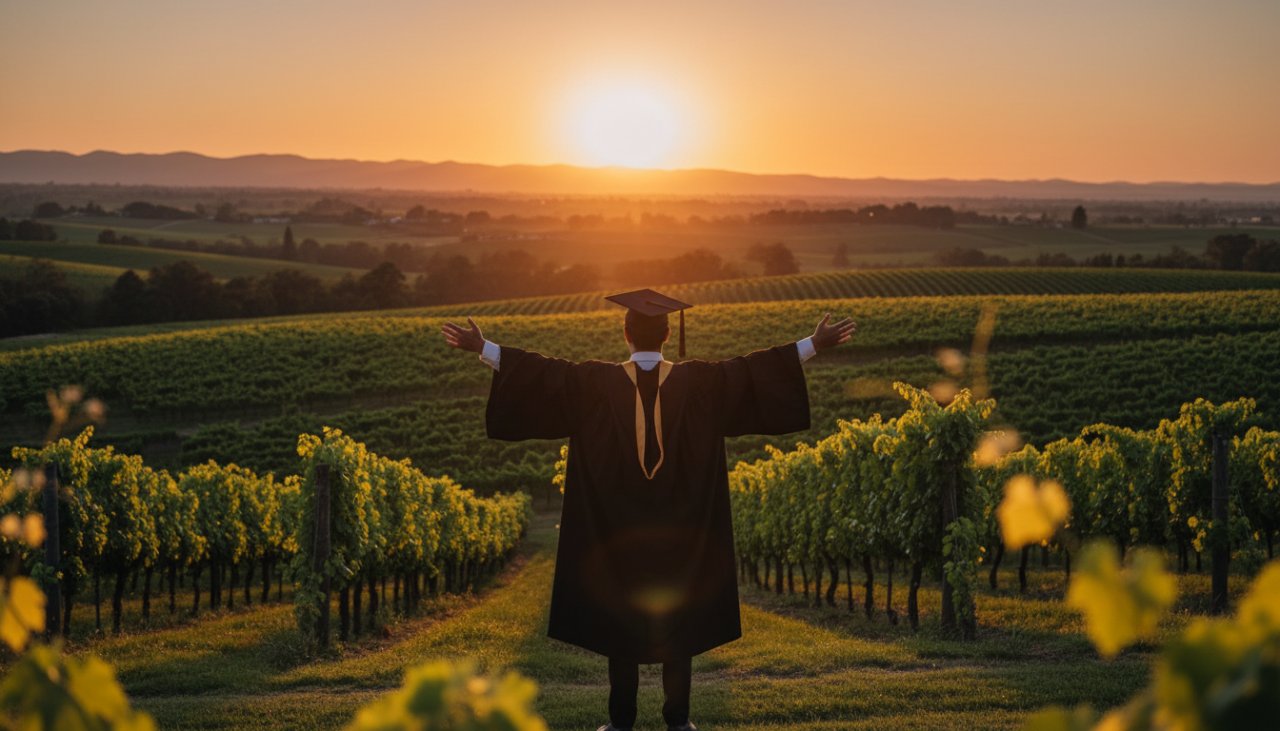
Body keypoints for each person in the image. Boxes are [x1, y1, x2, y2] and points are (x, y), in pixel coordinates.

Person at [441, 289, 856, 731]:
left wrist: (480, 347)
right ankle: (679, 721)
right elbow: (752, 371)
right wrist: (814, 343)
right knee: (680, 614)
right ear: (666, 334)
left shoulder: (592, 384)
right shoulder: (702, 382)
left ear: (625, 333)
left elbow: (541, 374)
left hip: (616, 533)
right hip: (683, 533)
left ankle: (621, 723)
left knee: (621, 614)